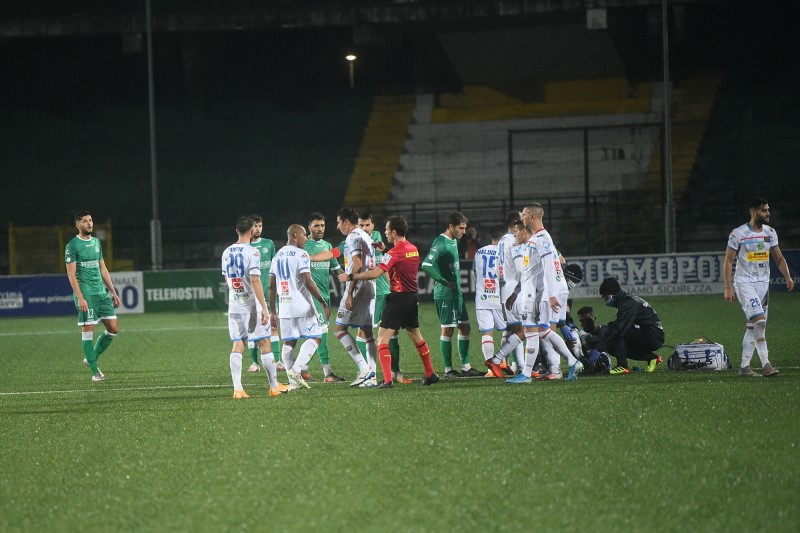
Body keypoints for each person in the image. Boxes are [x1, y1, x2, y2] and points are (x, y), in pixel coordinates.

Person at [344, 215, 440, 388]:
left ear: (394, 232)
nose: (385, 232)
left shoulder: (394, 253)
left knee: (382, 339)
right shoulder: (413, 248)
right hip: (412, 297)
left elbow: (375, 274)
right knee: (416, 336)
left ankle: (388, 380)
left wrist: (351, 276)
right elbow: (399, 259)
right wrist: (385, 250)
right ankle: (430, 373)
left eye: (387, 230)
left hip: (398, 299)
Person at [723, 196, 794, 377]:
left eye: (768, 209)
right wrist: (728, 287)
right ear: (753, 213)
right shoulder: (738, 234)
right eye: (764, 210)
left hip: (763, 284)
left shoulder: (770, 232)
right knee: (760, 322)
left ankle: (744, 367)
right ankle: (766, 364)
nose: (768, 213)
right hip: (744, 283)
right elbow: (728, 260)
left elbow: (779, 258)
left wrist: (787, 276)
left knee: (753, 326)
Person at [221, 216, 281, 398]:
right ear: (251, 231)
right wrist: (264, 308)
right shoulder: (252, 252)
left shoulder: (226, 252)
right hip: (252, 306)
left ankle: (238, 389)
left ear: (237, 230)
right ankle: (274, 387)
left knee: (238, 343)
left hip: (235, 303)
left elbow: (227, 278)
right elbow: (255, 281)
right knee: (265, 342)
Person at [524, 203, 583, 381]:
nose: (522, 217)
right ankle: (566, 364)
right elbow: (559, 261)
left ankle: (559, 367)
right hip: (554, 289)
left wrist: (550, 294)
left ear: (533, 216)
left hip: (552, 291)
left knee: (544, 332)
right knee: (544, 332)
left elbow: (550, 267)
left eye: (524, 214)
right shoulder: (542, 236)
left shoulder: (541, 238)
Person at [268, 224, 331, 390]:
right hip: (302, 305)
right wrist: (322, 301)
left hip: (284, 306)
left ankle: (293, 384)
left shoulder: (277, 256)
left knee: (289, 343)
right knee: (316, 337)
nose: (306, 238)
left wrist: (273, 311)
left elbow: (271, 287)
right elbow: (307, 280)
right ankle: (296, 370)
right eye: (303, 235)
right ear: (295, 236)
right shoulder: (301, 254)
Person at [421, 211, 483, 378]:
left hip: (457, 294)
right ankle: (448, 369)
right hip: (445, 294)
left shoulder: (454, 241)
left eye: (464, 228)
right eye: (460, 228)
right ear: (451, 226)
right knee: (448, 330)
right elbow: (426, 264)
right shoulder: (441, 242)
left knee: (465, 327)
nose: (464, 231)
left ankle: (466, 367)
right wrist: (443, 281)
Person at [65, 210, 121, 382]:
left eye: (90, 220)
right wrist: (80, 298)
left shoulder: (96, 242)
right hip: (86, 294)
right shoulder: (72, 245)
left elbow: (103, 268)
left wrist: (113, 291)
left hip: (100, 293)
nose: (89, 223)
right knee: (88, 331)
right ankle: (95, 372)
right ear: (77, 225)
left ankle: (91, 357)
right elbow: (71, 274)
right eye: (85, 221)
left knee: (113, 328)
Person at [358, 213, 411, 384]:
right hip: (368, 294)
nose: (364, 228)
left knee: (393, 332)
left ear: (373, 226)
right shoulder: (354, 242)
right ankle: (366, 372)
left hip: (386, 292)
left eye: (367, 225)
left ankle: (395, 372)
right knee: (364, 332)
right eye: (361, 225)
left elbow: (388, 265)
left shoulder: (379, 239)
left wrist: (393, 288)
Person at [333, 207, 377, 387]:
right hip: (370, 285)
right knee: (367, 331)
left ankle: (364, 369)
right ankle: (372, 376)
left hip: (357, 286)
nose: (337, 227)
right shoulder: (366, 235)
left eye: (338, 222)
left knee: (339, 329)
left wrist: (349, 293)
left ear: (346, 222)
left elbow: (357, 265)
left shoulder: (352, 237)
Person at [304, 212, 346, 382]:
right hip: (311, 297)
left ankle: (302, 368)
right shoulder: (303, 246)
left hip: (325, 297)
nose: (320, 229)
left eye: (322, 225)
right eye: (316, 226)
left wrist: (353, 277)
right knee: (321, 333)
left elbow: (337, 270)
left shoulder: (327, 246)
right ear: (309, 228)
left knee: (314, 334)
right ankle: (327, 373)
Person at [595, 277, 665, 375]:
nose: (604, 300)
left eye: (605, 296)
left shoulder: (627, 303)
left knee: (613, 332)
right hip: (651, 334)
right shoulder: (626, 300)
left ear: (612, 294)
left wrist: (599, 347)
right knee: (613, 340)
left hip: (652, 335)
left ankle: (622, 365)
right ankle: (652, 358)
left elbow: (620, 329)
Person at [246, 214, 281, 373]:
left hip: (269, 292)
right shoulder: (245, 247)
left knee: (273, 324)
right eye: (255, 226)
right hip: (251, 294)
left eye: (260, 226)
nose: (258, 229)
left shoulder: (269, 243)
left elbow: (275, 267)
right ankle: (254, 363)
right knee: (252, 327)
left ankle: (278, 360)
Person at [473, 225, 508, 375]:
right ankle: (505, 362)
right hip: (500, 298)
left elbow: (475, 273)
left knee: (487, 333)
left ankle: (491, 370)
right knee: (509, 331)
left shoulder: (479, 252)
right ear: (503, 237)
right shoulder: (504, 252)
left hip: (483, 298)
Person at [497, 210, 524, 374]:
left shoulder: (501, 241)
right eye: (521, 220)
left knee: (514, 330)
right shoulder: (514, 240)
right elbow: (521, 268)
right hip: (515, 292)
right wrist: (517, 290)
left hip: (504, 291)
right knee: (523, 330)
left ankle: (514, 365)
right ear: (515, 223)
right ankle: (519, 366)